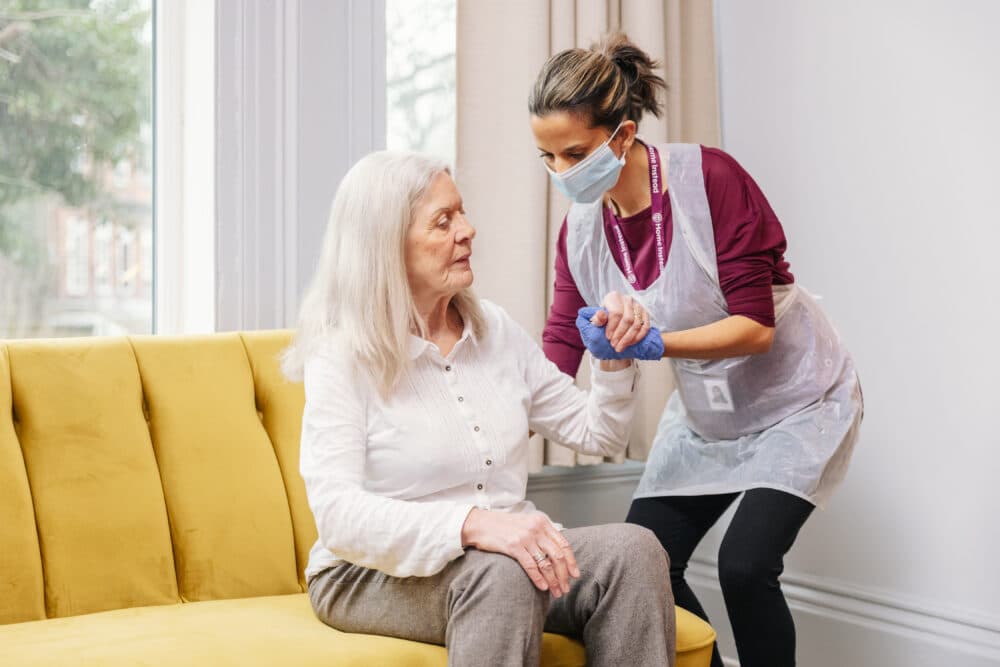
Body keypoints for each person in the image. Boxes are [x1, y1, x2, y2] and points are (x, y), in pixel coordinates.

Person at [528, 32, 863, 667]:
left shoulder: (707, 179)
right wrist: (500, 416)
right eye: (546, 157)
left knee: (744, 566)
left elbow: (755, 325)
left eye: (573, 153)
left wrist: (653, 344)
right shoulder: (581, 229)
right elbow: (561, 338)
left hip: (796, 401)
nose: (561, 172)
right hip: (709, 415)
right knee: (646, 559)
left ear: (622, 136)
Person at [282, 150, 676, 667]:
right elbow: (338, 517)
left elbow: (596, 435)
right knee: (500, 571)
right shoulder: (342, 354)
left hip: (503, 557)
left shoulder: (494, 330)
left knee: (633, 551)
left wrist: (612, 360)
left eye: (461, 213)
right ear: (384, 247)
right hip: (370, 573)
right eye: (443, 222)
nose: (467, 231)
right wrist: (473, 525)